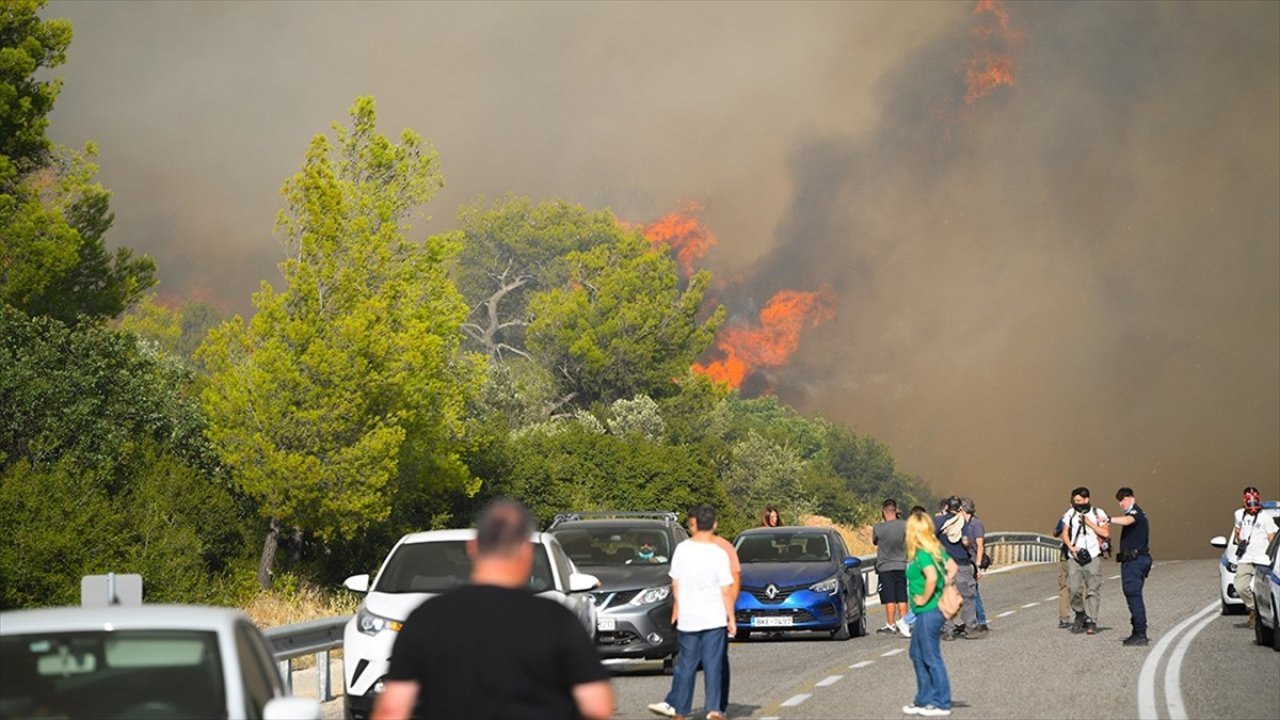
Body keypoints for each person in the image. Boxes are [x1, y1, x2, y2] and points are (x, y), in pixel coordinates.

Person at [373, 499, 614, 720]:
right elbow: (597, 705)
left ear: (473, 548)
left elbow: (392, 709)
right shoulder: (556, 618)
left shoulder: (426, 618)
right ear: (526, 552)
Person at [648, 505, 736, 720]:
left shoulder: (682, 550)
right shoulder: (718, 554)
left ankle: (680, 710)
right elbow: (725, 589)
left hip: (689, 617)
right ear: (714, 525)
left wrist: (678, 607)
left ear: (693, 525)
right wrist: (731, 617)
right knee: (713, 664)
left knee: (686, 664)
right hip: (714, 617)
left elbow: (675, 583)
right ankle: (713, 709)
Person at [903, 509, 956, 718]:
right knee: (916, 653)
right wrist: (945, 587)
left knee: (931, 656)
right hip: (930, 611)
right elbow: (952, 568)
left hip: (928, 610)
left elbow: (932, 577)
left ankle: (940, 702)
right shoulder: (936, 549)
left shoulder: (923, 554)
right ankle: (923, 699)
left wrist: (925, 598)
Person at [1060, 486, 1110, 636]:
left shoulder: (1098, 513)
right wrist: (1071, 547)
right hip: (1075, 557)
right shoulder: (1070, 514)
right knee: (1073, 589)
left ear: (1087, 499)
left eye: (1079, 501)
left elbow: (1105, 533)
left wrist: (1089, 522)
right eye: (1075, 501)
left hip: (1093, 556)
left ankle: (1092, 621)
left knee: (1093, 590)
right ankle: (1080, 613)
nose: (1077, 503)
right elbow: (1064, 533)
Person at [1110, 487, 1152, 645]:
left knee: (1133, 595)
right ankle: (1137, 629)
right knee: (1132, 595)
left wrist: (1108, 519)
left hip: (1134, 560)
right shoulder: (1136, 513)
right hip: (1134, 560)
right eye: (1119, 500)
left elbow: (1128, 520)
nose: (1121, 503)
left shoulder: (1135, 513)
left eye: (1124, 499)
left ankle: (1140, 633)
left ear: (1132, 498)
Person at [1233, 486, 1278, 629]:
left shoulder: (1266, 517)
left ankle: (1265, 615)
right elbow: (1237, 531)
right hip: (1246, 558)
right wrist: (1239, 540)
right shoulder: (1239, 514)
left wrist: (1272, 556)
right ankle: (1253, 608)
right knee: (1240, 586)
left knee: (1265, 589)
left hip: (1262, 559)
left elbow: (1271, 537)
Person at [935, 496, 977, 641]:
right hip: (961, 564)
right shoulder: (962, 521)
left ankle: (948, 631)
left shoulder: (938, 521)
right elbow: (965, 541)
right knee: (967, 597)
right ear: (959, 508)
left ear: (946, 507)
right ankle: (971, 628)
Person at [873, 499, 909, 636]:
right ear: (895, 510)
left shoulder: (879, 528)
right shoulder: (905, 525)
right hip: (901, 565)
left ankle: (891, 624)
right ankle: (904, 623)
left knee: (889, 597)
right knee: (902, 596)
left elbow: (875, 541)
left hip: (885, 567)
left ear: (884, 511)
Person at [959, 497, 989, 636]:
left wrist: (978, 566)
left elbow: (980, 546)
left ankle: (981, 621)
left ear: (963, 509)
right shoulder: (963, 524)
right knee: (969, 593)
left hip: (972, 562)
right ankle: (973, 620)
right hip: (965, 562)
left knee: (973, 593)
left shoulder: (976, 524)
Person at [1053, 517, 1072, 629]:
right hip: (1085, 555)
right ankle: (1086, 616)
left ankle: (1064, 617)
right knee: (1084, 585)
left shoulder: (1066, 517)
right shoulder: (1092, 514)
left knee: (1064, 586)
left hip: (1067, 554)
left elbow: (1055, 533)